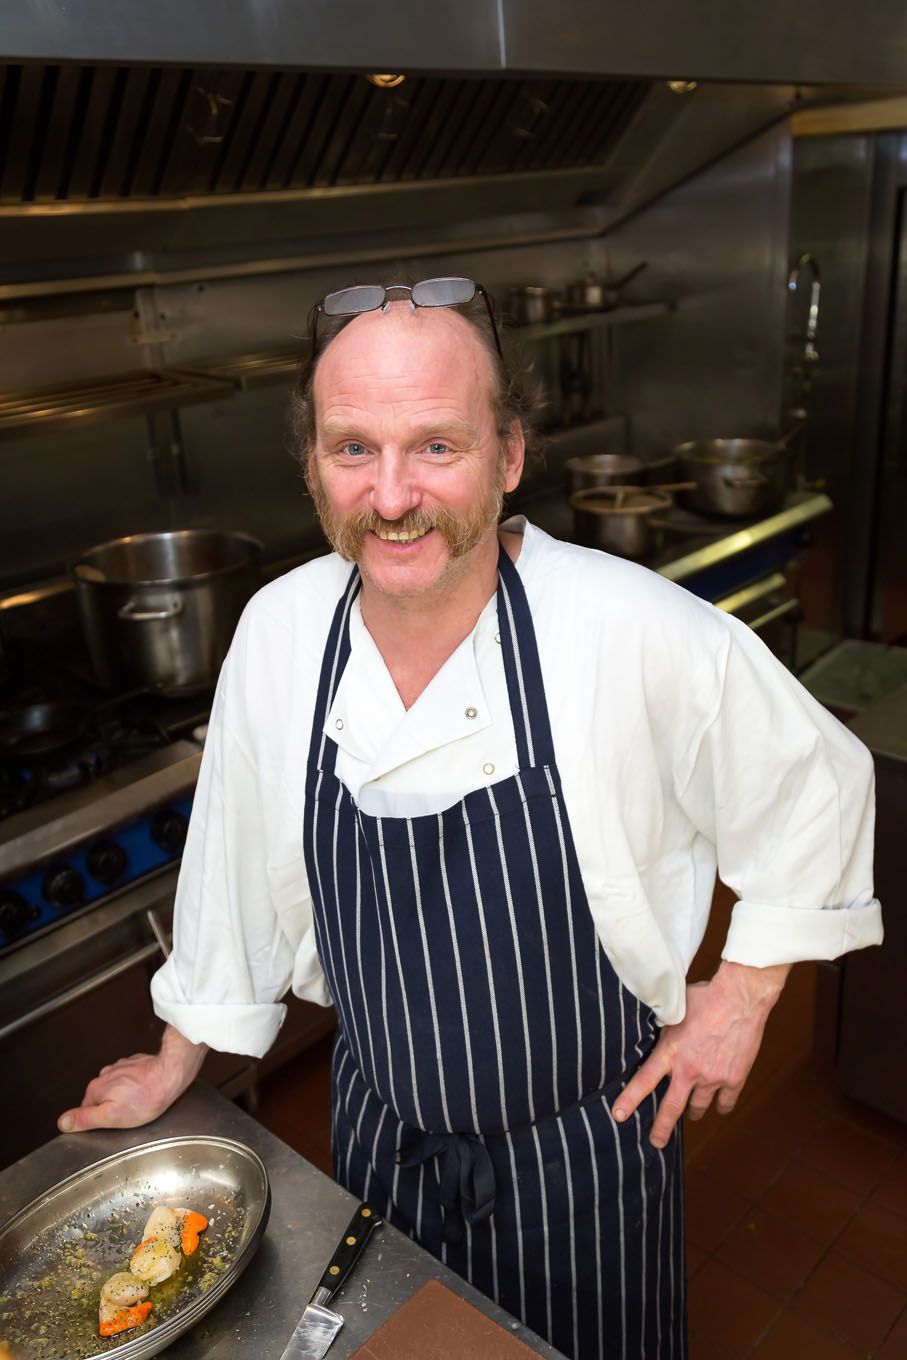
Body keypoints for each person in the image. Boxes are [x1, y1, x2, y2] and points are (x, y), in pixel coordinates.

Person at [58, 277, 882, 1360]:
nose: (391, 496)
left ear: (509, 455)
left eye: (435, 446)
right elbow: (233, 857)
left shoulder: (623, 625)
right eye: (354, 449)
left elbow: (816, 780)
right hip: (382, 1140)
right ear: (312, 463)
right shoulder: (281, 633)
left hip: (589, 1153)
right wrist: (179, 1053)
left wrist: (743, 995)